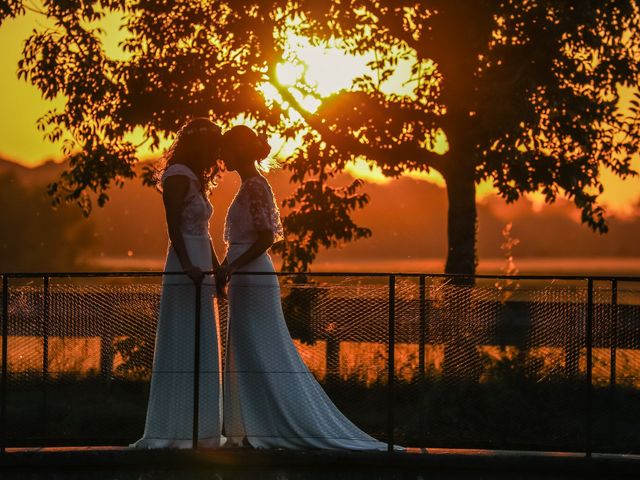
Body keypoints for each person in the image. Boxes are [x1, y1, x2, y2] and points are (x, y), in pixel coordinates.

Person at [217, 125, 395, 450]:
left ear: (238, 151)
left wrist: (230, 265)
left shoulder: (255, 186)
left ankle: (267, 427)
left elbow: (266, 237)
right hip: (244, 276)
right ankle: (251, 426)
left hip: (251, 276)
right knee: (244, 349)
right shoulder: (249, 185)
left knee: (259, 347)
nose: (222, 156)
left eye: (226, 149)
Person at [131, 118, 225, 448]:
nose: (215, 151)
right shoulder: (176, 176)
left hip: (201, 261)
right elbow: (173, 225)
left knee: (203, 341)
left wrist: (217, 270)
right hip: (184, 263)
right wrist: (188, 266)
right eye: (211, 144)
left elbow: (205, 232)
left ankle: (203, 428)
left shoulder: (198, 179)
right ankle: (175, 427)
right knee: (184, 338)